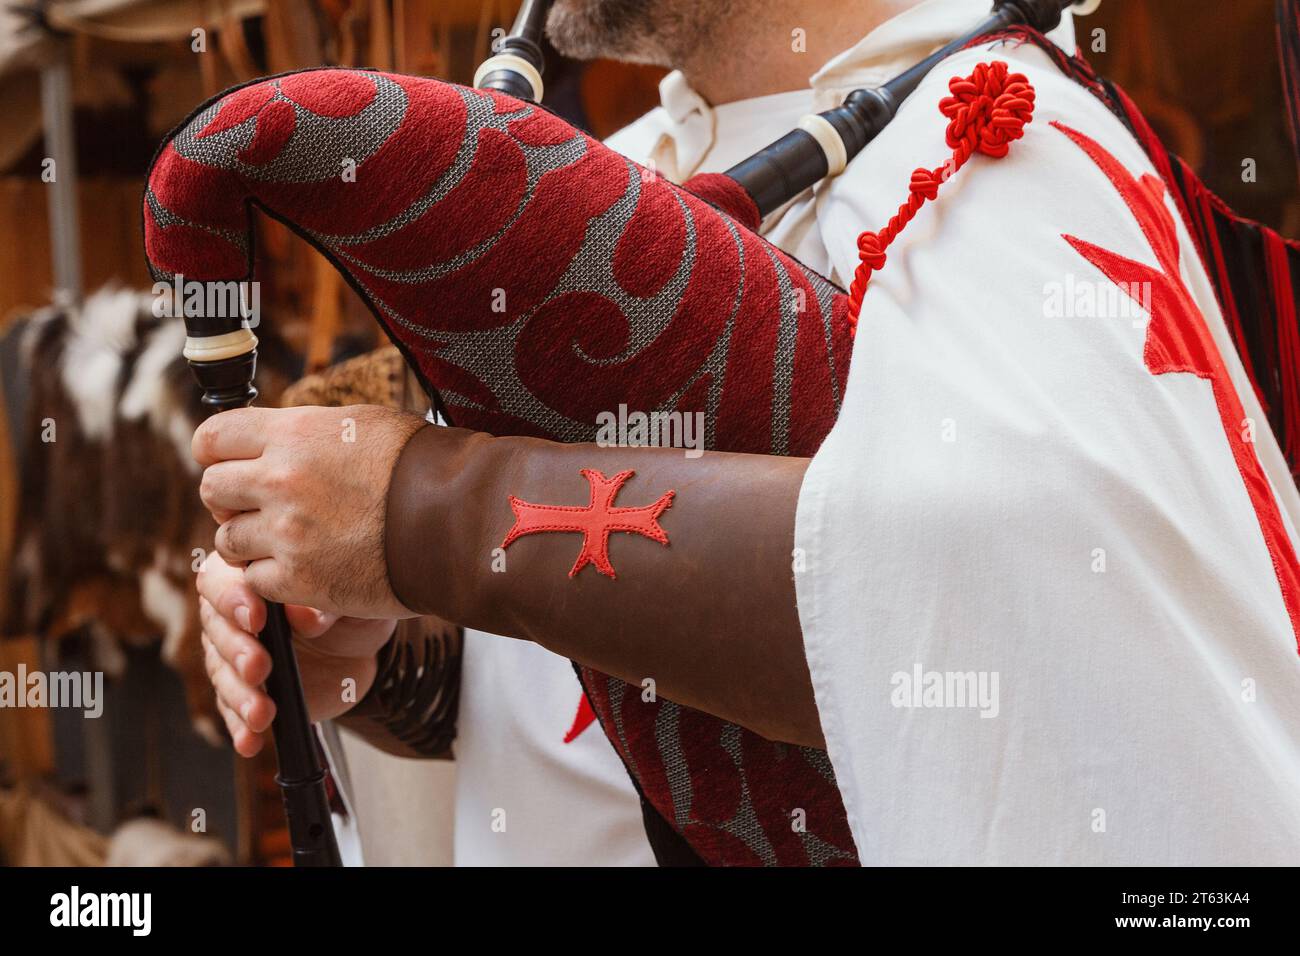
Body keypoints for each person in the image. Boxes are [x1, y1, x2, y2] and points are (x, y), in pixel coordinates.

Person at [197, 0, 1300, 864]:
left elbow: (1000, 609)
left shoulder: (1006, 143)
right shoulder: (610, 168)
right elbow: (578, 715)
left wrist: (433, 513)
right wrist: (375, 647)